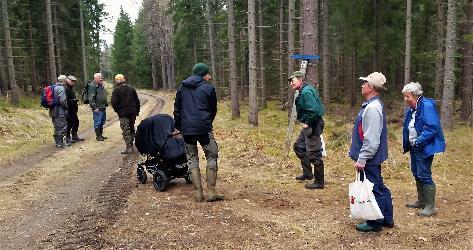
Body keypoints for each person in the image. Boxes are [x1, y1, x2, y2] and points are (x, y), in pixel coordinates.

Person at [349, 72, 394, 232]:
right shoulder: (372, 105)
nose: (362, 86)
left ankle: (375, 223)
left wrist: (362, 159)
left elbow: (372, 139)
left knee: (373, 189)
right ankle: (387, 219)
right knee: (379, 186)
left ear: (371, 87)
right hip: (372, 157)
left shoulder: (373, 108)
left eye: (364, 83)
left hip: (370, 158)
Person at [174, 63, 224, 202]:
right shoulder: (208, 89)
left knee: (191, 158)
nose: (210, 76)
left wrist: (179, 126)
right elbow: (213, 109)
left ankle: (198, 194)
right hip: (204, 128)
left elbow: (177, 109)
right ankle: (212, 192)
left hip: (187, 130)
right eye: (208, 73)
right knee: (212, 155)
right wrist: (208, 122)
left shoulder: (182, 88)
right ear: (203, 74)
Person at [402, 82, 445, 216]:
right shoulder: (414, 107)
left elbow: (432, 127)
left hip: (424, 146)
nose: (405, 99)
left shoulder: (426, 105)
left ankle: (430, 207)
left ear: (415, 95)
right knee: (416, 171)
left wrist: (419, 141)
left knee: (424, 173)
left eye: (407, 96)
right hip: (415, 146)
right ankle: (422, 201)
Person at [288, 71, 325, 189]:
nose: (290, 83)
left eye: (292, 80)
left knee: (314, 153)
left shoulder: (306, 92)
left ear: (300, 79)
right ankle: (308, 173)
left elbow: (314, 111)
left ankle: (319, 182)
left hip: (313, 124)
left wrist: (307, 123)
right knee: (299, 146)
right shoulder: (304, 90)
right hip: (309, 124)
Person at [111, 74, 140, 154]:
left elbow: (114, 102)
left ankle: (129, 147)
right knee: (131, 128)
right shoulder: (131, 88)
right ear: (124, 79)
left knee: (125, 130)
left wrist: (117, 111)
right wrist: (137, 111)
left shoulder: (116, 90)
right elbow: (137, 101)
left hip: (123, 113)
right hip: (132, 112)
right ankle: (131, 145)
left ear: (116, 80)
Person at [87, 72, 108, 141]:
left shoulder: (100, 85)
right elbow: (91, 98)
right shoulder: (92, 86)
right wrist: (94, 107)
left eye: (102, 77)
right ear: (95, 78)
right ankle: (98, 136)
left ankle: (101, 135)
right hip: (97, 108)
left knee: (102, 122)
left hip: (102, 107)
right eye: (100, 78)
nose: (101, 79)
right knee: (97, 122)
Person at [50, 75, 69, 148]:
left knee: (56, 127)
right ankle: (61, 143)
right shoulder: (61, 88)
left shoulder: (53, 87)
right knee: (62, 126)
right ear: (64, 81)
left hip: (52, 111)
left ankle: (57, 142)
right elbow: (62, 100)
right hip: (59, 111)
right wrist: (66, 107)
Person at [64, 75, 84, 143]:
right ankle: (68, 138)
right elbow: (65, 100)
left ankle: (74, 137)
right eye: (72, 81)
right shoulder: (66, 89)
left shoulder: (70, 88)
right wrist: (73, 101)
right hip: (68, 110)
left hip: (72, 110)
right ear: (68, 80)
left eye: (74, 82)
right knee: (70, 124)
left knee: (75, 122)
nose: (73, 83)